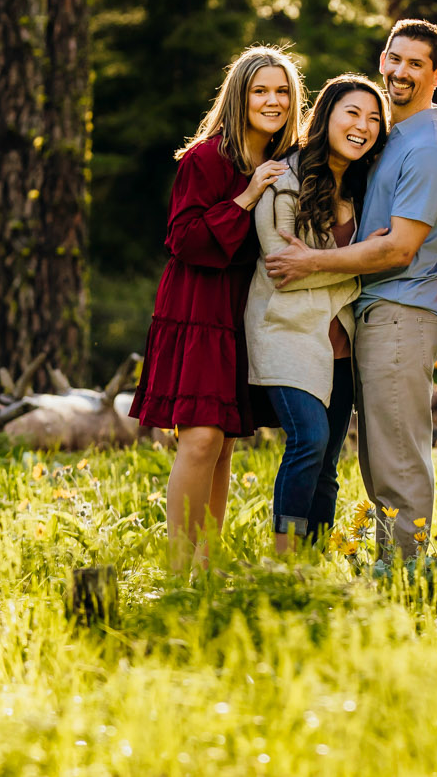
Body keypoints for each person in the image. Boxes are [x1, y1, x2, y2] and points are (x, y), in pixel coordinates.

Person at [264, 19, 437, 559]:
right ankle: (392, 569)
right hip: (372, 314)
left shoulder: (426, 148)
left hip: (401, 313)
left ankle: (409, 575)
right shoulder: (390, 140)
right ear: (382, 59)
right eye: (395, 58)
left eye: (416, 63)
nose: (401, 71)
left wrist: (311, 262)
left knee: (397, 459)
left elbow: (398, 249)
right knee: (378, 460)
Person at [130, 45, 303, 570]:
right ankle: (178, 566)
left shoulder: (284, 161)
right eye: (260, 91)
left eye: (281, 91)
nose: (272, 101)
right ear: (239, 96)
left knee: (224, 441)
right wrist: (246, 198)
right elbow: (183, 239)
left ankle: (207, 560)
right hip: (198, 304)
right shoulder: (208, 158)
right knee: (202, 436)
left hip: (242, 310)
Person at [246, 74, 390, 554]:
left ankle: (313, 561)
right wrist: (357, 266)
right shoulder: (282, 179)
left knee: (328, 459)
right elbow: (282, 268)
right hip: (287, 332)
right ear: (326, 114)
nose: (363, 125)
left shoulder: (363, 190)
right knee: (308, 440)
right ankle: (283, 557)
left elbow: (374, 257)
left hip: (341, 345)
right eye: (352, 112)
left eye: (374, 119)